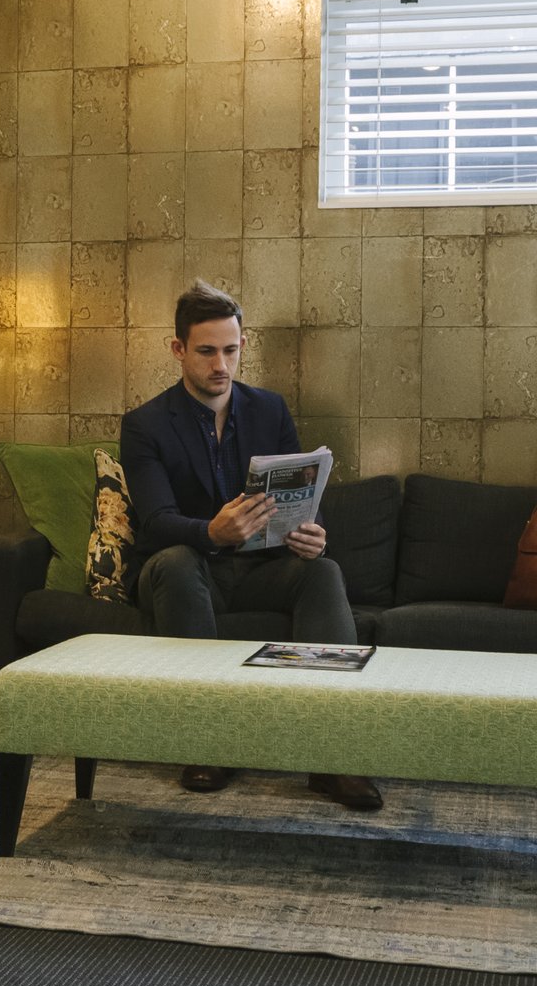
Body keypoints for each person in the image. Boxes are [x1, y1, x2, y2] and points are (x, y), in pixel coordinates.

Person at [119, 281, 380, 810]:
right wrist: (210, 532)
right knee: (174, 559)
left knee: (322, 571)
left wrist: (312, 530)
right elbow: (156, 521)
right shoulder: (145, 424)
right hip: (185, 572)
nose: (221, 364)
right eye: (207, 351)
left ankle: (334, 758)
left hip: (259, 568)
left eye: (231, 350)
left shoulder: (269, 410)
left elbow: (299, 491)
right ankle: (208, 745)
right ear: (178, 350)